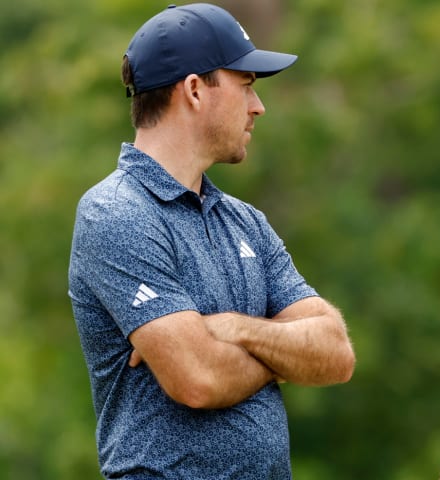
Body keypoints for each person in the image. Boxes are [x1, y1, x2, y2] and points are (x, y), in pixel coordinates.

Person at [68, 4, 355, 478]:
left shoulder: (245, 220)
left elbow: (336, 354)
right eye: (246, 85)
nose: (257, 106)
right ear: (196, 90)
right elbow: (198, 378)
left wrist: (237, 331)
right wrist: (282, 356)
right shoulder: (115, 212)